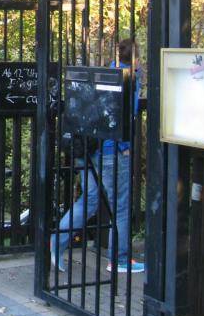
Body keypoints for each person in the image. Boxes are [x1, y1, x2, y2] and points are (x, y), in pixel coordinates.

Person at [51, 38, 145, 275]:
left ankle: (56, 243)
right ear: (135, 58)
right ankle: (119, 259)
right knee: (120, 207)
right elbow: (126, 116)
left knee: (89, 199)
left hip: (88, 148)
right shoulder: (130, 80)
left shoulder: (106, 73)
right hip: (112, 151)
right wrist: (125, 146)